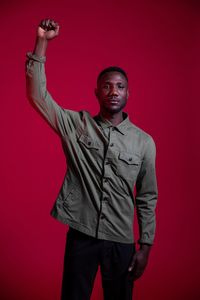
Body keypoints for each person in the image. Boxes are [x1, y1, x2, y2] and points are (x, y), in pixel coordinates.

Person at [26, 19, 158, 300]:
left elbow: (147, 197)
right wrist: (42, 42)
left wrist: (145, 246)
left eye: (120, 87)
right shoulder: (76, 125)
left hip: (121, 242)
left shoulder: (144, 142)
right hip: (81, 236)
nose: (113, 92)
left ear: (128, 93)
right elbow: (38, 95)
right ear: (96, 92)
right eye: (107, 86)